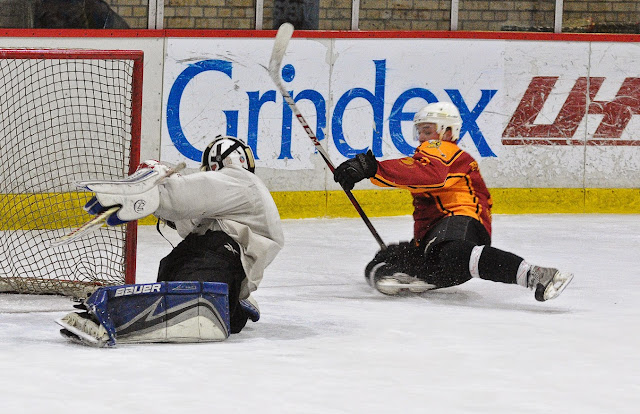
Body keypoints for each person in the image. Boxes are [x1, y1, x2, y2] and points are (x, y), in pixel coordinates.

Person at [333, 102, 573, 302]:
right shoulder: (430, 154)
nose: (422, 138)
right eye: (420, 132)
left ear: (447, 132)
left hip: (462, 223)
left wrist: (371, 167)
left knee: (452, 253)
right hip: (441, 245)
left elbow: (429, 175)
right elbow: (417, 176)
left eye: (428, 131)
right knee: (386, 260)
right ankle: (424, 274)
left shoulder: (442, 149)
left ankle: (537, 275)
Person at [57, 135, 284, 346]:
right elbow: (188, 218)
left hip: (219, 255)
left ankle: (112, 319)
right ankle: (233, 305)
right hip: (213, 255)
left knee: (196, 299)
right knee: (179, 278)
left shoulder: (241, 181)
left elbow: (184, 196)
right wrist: (156, 198)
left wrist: (156, 185)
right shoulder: (235, 194)